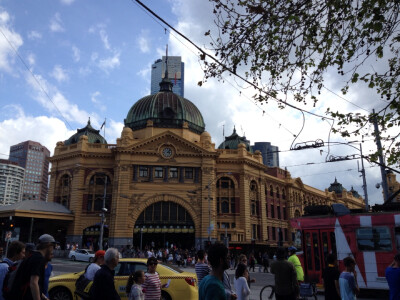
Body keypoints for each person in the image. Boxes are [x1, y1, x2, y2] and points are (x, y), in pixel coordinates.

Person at [15, 234, 55, 300]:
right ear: (48, 244)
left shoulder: (32, 257)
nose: (52, 249)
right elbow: (33, 283)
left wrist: (44, 297)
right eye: (53, 246)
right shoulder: (39, 259)